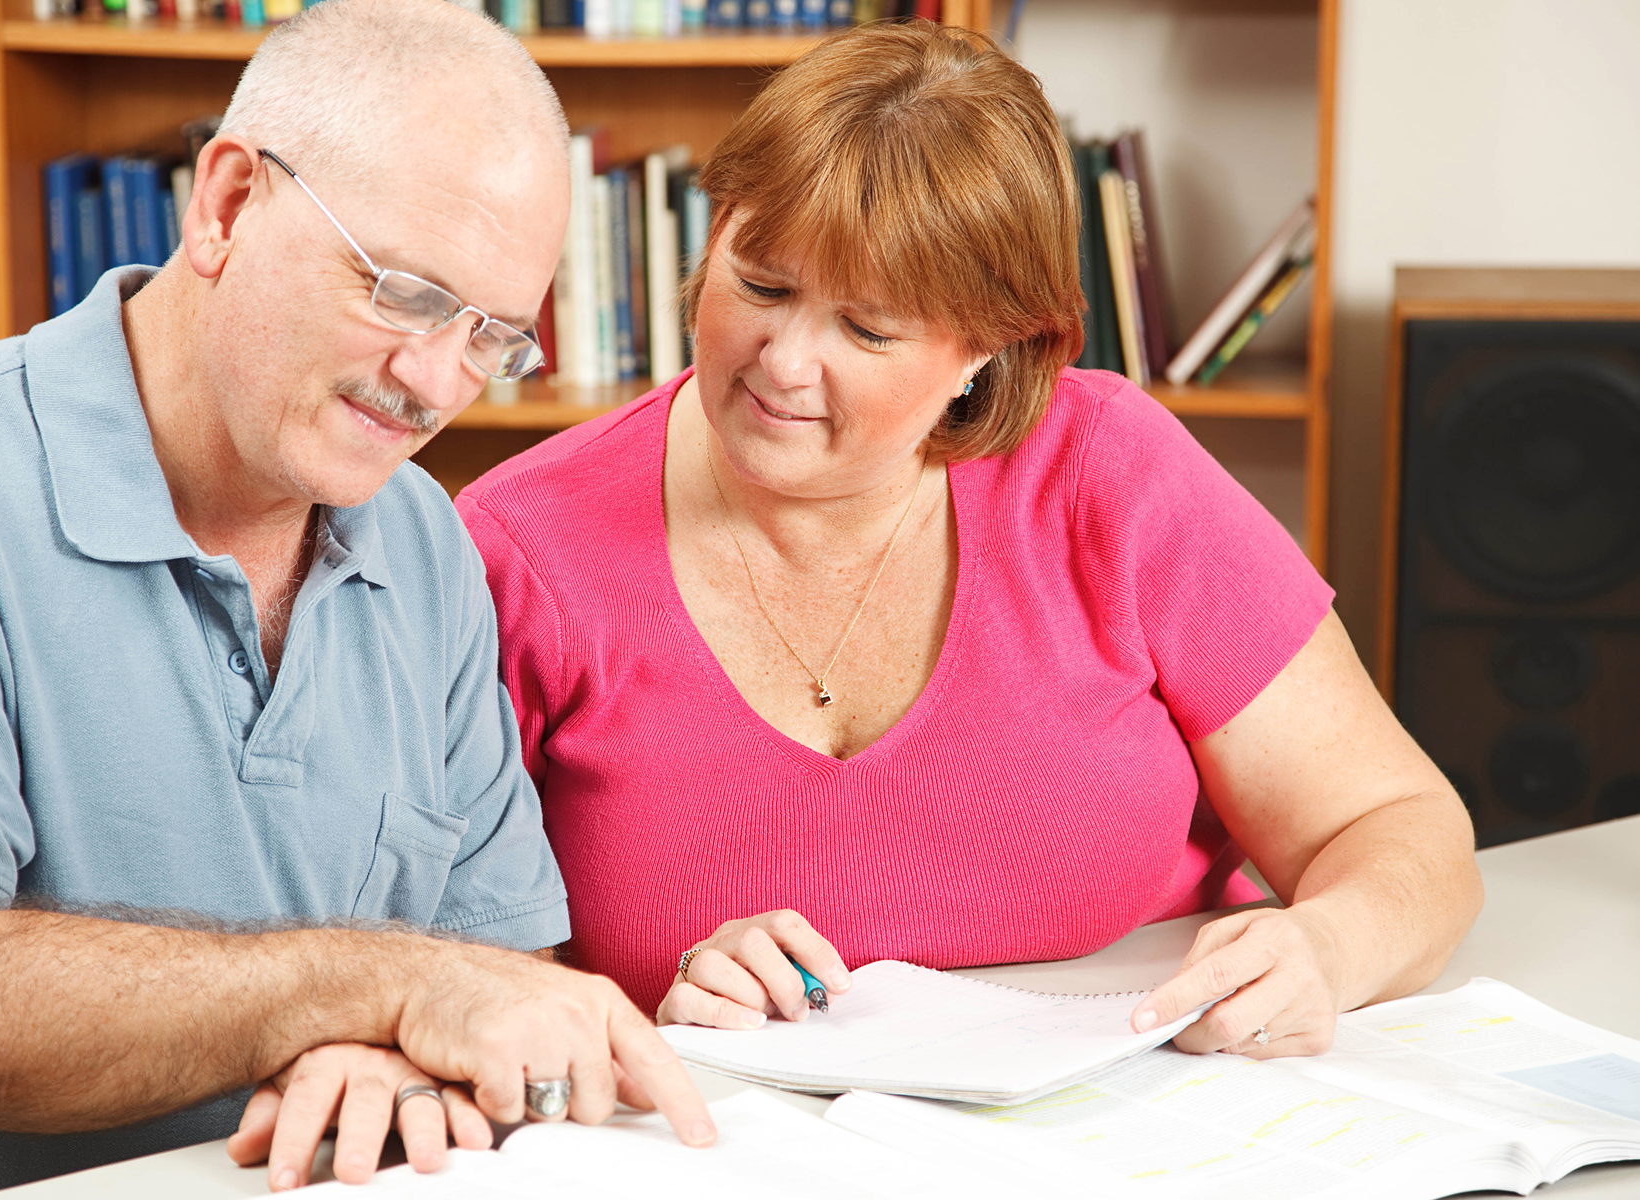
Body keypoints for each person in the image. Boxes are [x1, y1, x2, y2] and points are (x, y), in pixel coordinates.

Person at [0, 2, 714, 1197]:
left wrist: (404, 1048)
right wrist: (370, 990)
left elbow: (498, 976)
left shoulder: (429, 542)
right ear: (228, 204)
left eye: (493, 336)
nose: (434, 382)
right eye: (405, 293)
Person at [456, 22, 1483, 1061]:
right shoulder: (513, 548)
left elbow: (1400, 828)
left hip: (1140, 1119)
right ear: (713, 234)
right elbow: (443, 965)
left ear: (989, 347)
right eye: (760, 284)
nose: (783, 361)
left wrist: (1325, 948)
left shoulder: (1108, 473)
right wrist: (634, 1014)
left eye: (867, 329)